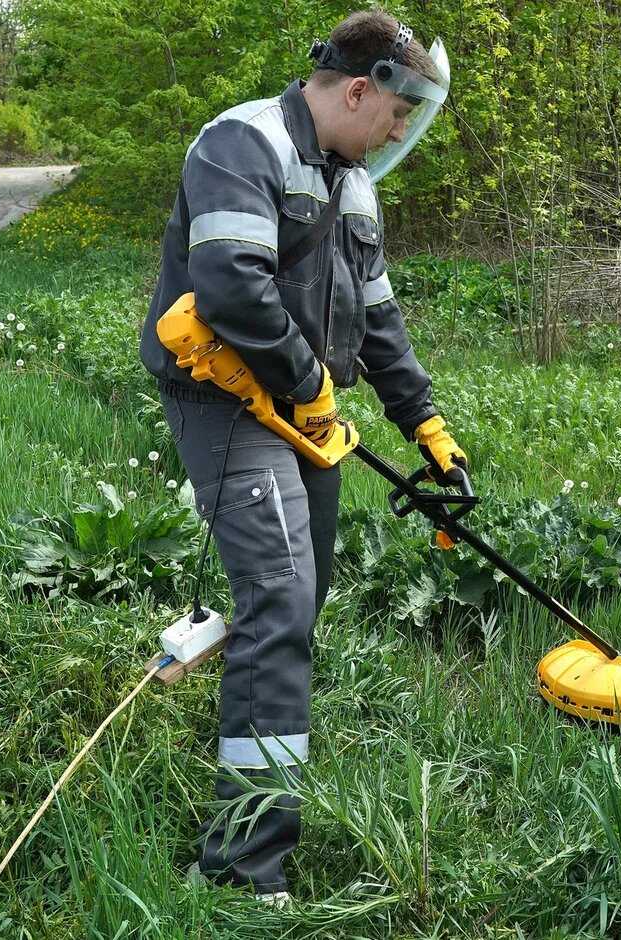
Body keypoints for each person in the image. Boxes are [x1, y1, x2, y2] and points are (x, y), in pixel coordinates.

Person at [138, 8, 466, 902]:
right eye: (397, 115)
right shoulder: (240, 144)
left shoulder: (353, 181)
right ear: (360, 91)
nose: (401, 132)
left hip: (304, 411)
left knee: (298, 596)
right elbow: (232, 286)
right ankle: (245, 870)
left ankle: (260, 727)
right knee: (280, 601)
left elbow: (382, 321)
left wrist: (426, 427)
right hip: (227, 399)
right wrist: (307, 382)